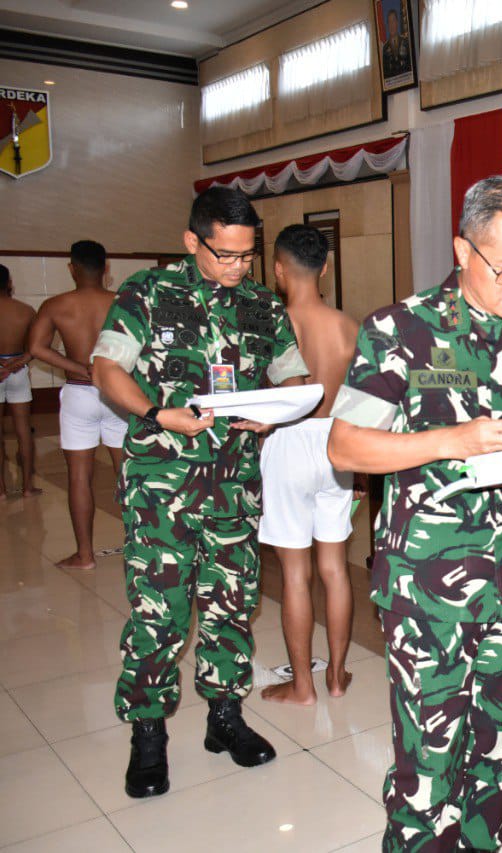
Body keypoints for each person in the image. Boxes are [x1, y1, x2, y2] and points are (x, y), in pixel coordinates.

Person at [328, 175, 502, 851]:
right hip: (427, 588)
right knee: (429, 757)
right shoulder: (399, 330)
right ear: (464, 250)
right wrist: (450, 441)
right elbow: (344, 446)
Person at [91, 187, 309, 800]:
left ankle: (225, 718)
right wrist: (156, 413)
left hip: (234, 485)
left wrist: (276, 410)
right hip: (163, 484)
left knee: (231, 604)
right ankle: (148, 733)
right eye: (225, 255)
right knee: (159, 611)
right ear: (193, 241)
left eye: (248, 255)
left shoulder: (262, 305)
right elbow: (106, 369)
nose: (238, 266)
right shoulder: (148, 292)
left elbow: (292, 375)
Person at [258, 224, 361, 706]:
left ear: (278, 269)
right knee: (335, 569)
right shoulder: (349, 327)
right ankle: (337, 676)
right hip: (338, 444)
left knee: (295, 574)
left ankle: (303, 686)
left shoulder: (270, 325)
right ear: (325, 268)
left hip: (287, 441)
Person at [27, 240, 128, 569]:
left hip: (79, 393)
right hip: (118, 393)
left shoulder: (56, 305)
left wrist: (79, 367)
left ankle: (84, 555)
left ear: (72, 268)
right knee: (128, 474)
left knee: (79, 477)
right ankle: (140, 549)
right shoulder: (123, 302)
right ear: (106, 268)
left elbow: (37, 348)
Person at [0, 264, 40, 497]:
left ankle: (1, 489)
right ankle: (27, 487)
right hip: (18, 370)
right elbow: (35, 347)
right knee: (23, 430)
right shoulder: (26, 311)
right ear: (9, 283)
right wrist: (16, 363)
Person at [380, 7, 412, 79]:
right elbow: (385, 72)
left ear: (397, 22)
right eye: (389, 22)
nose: (391, 25)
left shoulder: (406, 42)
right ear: (387, 25)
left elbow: (410, 65)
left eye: (393, 21)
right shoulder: (385, 47)